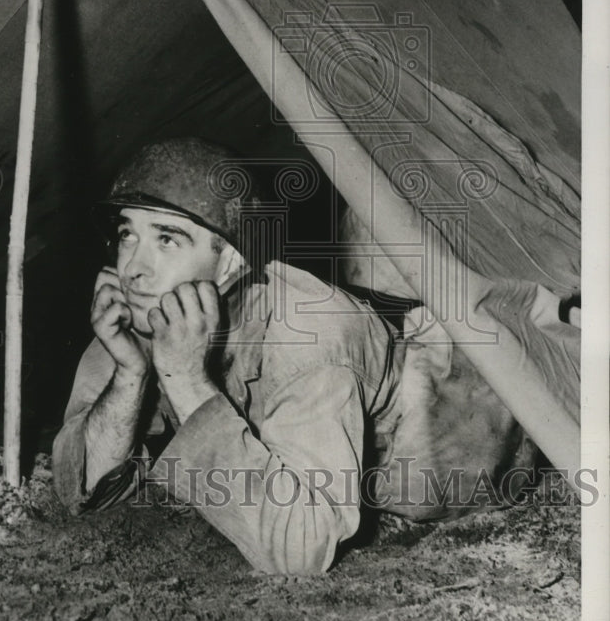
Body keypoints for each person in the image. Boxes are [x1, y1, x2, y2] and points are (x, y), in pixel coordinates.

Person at [52, 138, 534, 574]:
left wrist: (186, 382)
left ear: (230, 265)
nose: (134, 267)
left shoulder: (309, 336)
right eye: (127, 234)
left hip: (460, 429)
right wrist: (129, 375)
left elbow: (301, 550)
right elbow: (82, 491)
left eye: (167, 239)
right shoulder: (142, 319)